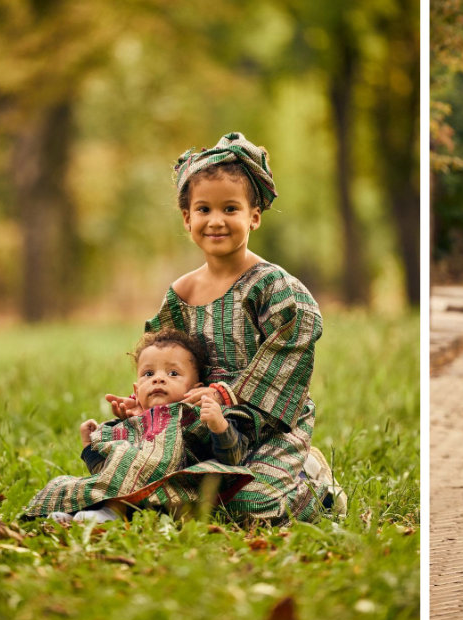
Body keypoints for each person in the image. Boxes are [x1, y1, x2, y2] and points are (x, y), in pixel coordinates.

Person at [105, 132, 345, 525]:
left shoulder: (277, 290)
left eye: (230, 209)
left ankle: (313, 486)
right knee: (140, 478)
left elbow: (284, 367)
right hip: (192, 422)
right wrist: (148, 404)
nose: (216, 221)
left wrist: (223, 399)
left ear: (254, 216)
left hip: (265, 425)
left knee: (243, 504)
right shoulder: (181, 294)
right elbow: (164, 361)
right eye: (203, 209)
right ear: (187, 219)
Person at [26, 328, 257, 523]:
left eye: (173, 373)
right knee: (68, 483)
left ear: (194, 389)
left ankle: (111, 514)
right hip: (127, 487)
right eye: (148, 373)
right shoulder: (132, 424)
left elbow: (231, 458)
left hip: (170, 492)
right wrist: (89, 446)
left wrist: (219, 426)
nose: (158, 378)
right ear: (137, 391)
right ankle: (81, 511)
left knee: (131, 459)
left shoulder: (193, 415)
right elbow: (105, 471)